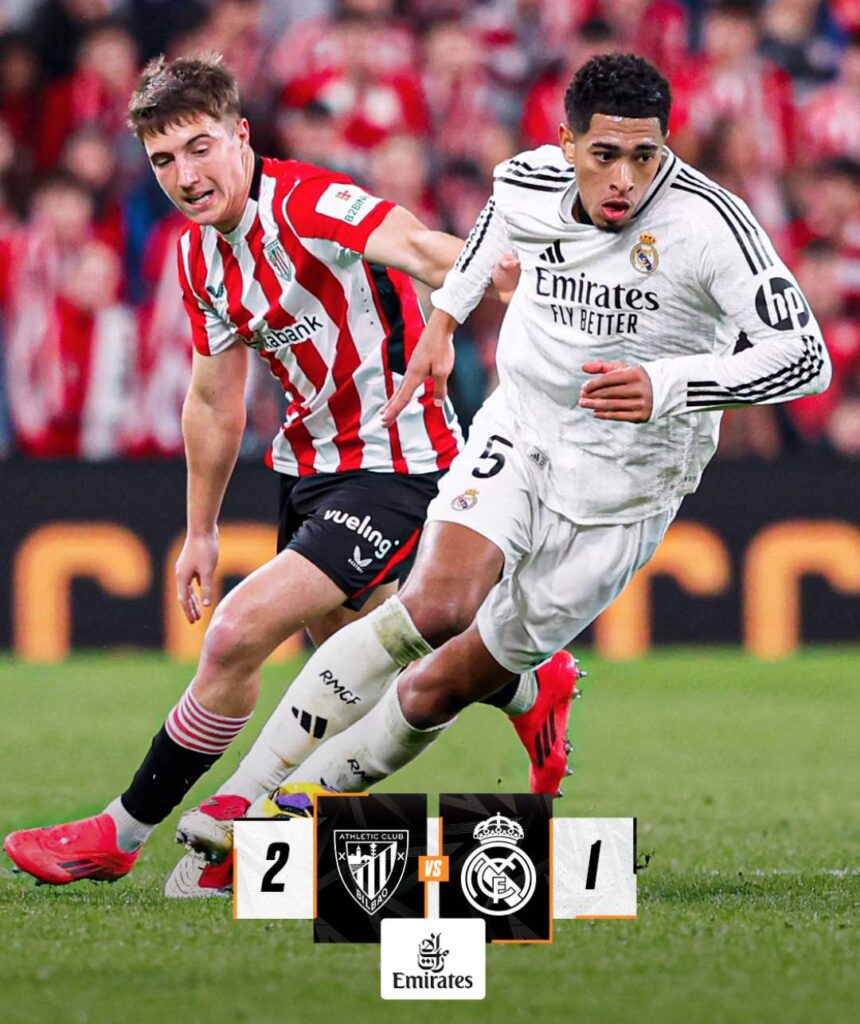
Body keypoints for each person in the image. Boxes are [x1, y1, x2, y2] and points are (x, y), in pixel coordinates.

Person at [3, 55, 580, 890]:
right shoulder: (199, 257)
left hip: (401, 464)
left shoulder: (311, 201)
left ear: (241, 135)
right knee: (374, 655)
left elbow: (420, 247)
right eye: (164, 160)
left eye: (200, 148)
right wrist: (200, 531)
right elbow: (213, 402)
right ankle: (527, 688)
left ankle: (121, 834)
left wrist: (512, 285)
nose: (185, 177)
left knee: (238, 632)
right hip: (309, 473)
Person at [203, 52, 830, 814]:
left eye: (645, 157)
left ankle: (309, 794)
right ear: (567, 144)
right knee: (433, 605)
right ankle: (243, 801)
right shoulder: (526, 180)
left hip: (626, 487)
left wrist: (669, 386)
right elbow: (487, 239)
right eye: (604, 155)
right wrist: (444, 320)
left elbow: (806, 358)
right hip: (523, 428)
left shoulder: (709, 225)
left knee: (437, 686)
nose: (625, 179)